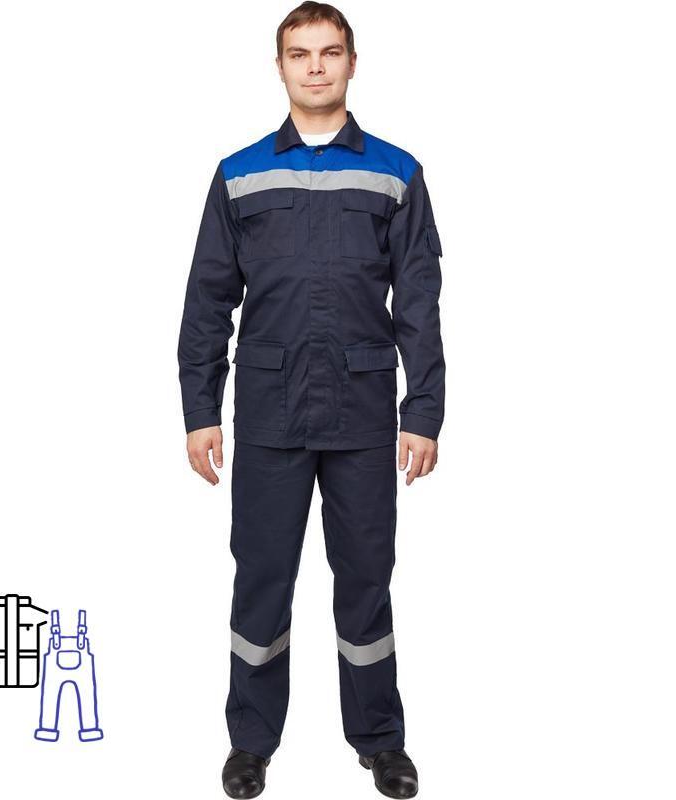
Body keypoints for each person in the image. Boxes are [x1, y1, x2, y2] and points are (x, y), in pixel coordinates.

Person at [177, 3, 445, 797]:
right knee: (262, 579)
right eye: (301, 54)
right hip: (269, 412)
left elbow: (419, 302)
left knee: (365, 579)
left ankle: (380, 741)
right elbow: (207, 300)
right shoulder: (239, 173)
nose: (316, 67)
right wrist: (200, 409)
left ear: (353, 62)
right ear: (281, 67)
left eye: (330, 52)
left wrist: (423, 412)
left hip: (364, 413)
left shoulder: (397, 172)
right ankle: (250, 743)